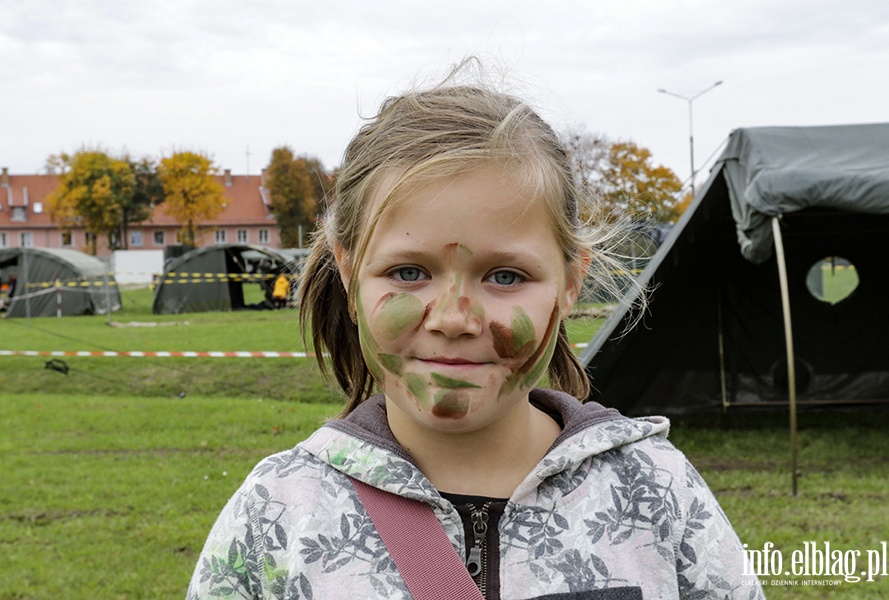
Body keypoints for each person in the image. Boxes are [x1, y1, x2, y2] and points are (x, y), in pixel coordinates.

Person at [187, 61, 763, 599]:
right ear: (349, 271)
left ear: (568, 284)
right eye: (408, 272)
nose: (455, 319)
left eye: (506, 275)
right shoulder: (275, 513)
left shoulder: (658, 494)